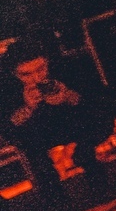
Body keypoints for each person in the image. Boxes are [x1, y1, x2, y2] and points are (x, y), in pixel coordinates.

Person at [4, 43, 99, 198]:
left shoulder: (64, 69)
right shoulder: (8, 89)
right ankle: (54, 197)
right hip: (37, 135)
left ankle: (99, 183)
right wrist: (28, 108)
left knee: (86, 129)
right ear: (15, 74)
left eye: (40, 69)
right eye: (26, 74)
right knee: (31, 148)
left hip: (71, 124)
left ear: (47, 62)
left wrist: (67, 96)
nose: (36, 78)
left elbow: (93, 103)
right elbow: (9, 129)